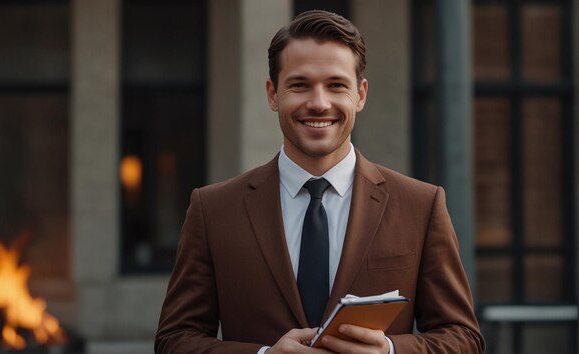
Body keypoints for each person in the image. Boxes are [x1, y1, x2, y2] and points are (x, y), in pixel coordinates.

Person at [155, 10, 485, 354]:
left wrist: (390, 351)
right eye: (299, 85)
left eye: (336, 85)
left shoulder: (421, 205)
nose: (318, 103)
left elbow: (463, 337)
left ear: (360, 95)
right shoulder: (213, 210)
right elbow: (174, 340)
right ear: (272, 94)